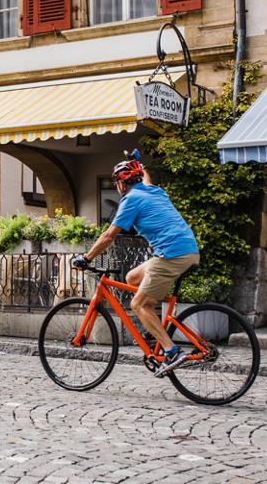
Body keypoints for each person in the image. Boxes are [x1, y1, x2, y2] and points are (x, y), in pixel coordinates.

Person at [74, 158, 200, 377]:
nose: (116, 187)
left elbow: (108, 236)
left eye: (116, 183)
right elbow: (147, 180)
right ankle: (154, 325)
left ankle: (171, 350)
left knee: (138, 304)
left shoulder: (131, 200)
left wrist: (86, 258)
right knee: (132, 278)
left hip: (171, 254)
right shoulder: (154, 191)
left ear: (122, 184)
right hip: (187, 250)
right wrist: (142, 167)